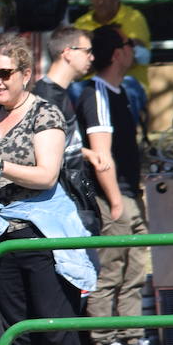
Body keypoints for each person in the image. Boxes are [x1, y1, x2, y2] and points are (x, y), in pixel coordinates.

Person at [0, 36, 92, 345]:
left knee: (55, 326)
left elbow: (47, 175)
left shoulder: (44, 112)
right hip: (1, 233)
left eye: (4, 73)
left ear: (25, 74)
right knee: (17, 330)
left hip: (41, 233)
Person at [79, 26, 173, 345]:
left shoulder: (122, 91)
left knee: (135, 268)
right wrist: (115, 200)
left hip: (129, 192)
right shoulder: (96, 93)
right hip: (113, 195)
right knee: (111, 269)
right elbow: (101, 153)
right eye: (129, 44)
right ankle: (106, 342)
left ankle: (134, 338)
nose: (134, 49)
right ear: (118, 52)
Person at [33, 26, 103, 236]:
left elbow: (63, 142)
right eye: (87, 51)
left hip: (76, 193)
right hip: (61, 202)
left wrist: (86, 153)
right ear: (68, 53)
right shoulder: (44, 97)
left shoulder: (62, 92)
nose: (92, 57)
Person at [73, 0, 151, 86]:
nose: (100, 1)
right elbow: (76, 67)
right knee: (74, 89)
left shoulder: (134, 17)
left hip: (127, 84)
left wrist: (94, 57)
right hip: (92, 86)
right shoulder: (81, 23)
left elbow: (139, 56)